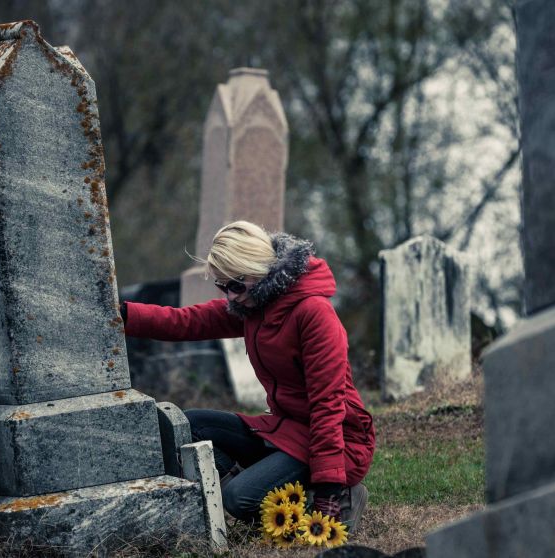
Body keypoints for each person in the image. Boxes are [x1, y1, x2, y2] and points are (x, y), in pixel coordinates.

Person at [120, 220, 375, 534]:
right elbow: (186, 322)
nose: (231, 296)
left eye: (236, 285)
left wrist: (329, 490)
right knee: (190, 424)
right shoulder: (255, 304)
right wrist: (120, 314)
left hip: (341, 441)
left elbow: (328, 407)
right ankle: (271, 481)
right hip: (286, 430)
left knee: (239, 499)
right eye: (223, 286)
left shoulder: (314, 314)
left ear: (259, 269)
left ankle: (345, 493)